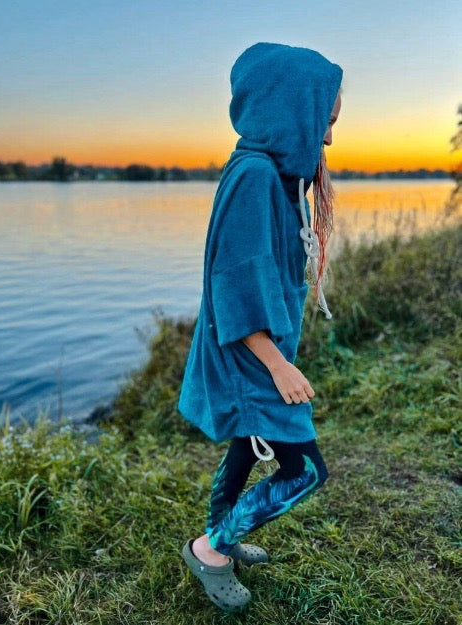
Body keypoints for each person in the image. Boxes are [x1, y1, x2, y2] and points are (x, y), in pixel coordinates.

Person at [177, 41, 343, 612]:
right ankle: (211, 549)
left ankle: (221, 532)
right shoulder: (253, 177)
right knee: (305, 471)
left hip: (261, 350)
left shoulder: (272, 175)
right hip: (252, 354)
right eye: (324, 119)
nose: (328, 137)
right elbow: (235, 282)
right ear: (291, 108)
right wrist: (278, 365)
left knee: (250, 444)